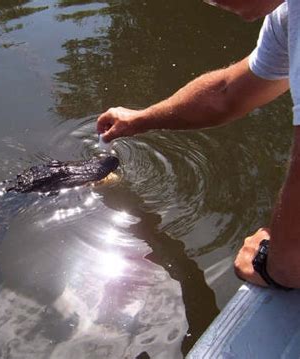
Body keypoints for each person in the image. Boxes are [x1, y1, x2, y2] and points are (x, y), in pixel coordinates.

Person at [97, 0, 300, 289]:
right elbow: (224, 94)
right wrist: (139, 120)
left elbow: (292, 264)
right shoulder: (288, 16)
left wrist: (276, 263)